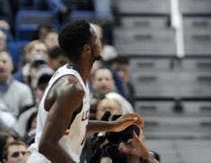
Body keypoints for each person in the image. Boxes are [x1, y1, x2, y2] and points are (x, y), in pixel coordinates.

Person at [28, 20, 143, 162]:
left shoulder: (76, 78)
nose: (100, 42)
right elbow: (47, 145)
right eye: (96, 39)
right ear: (87, 50)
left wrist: (112, 126)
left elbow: (77, 126)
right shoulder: (72, 88)